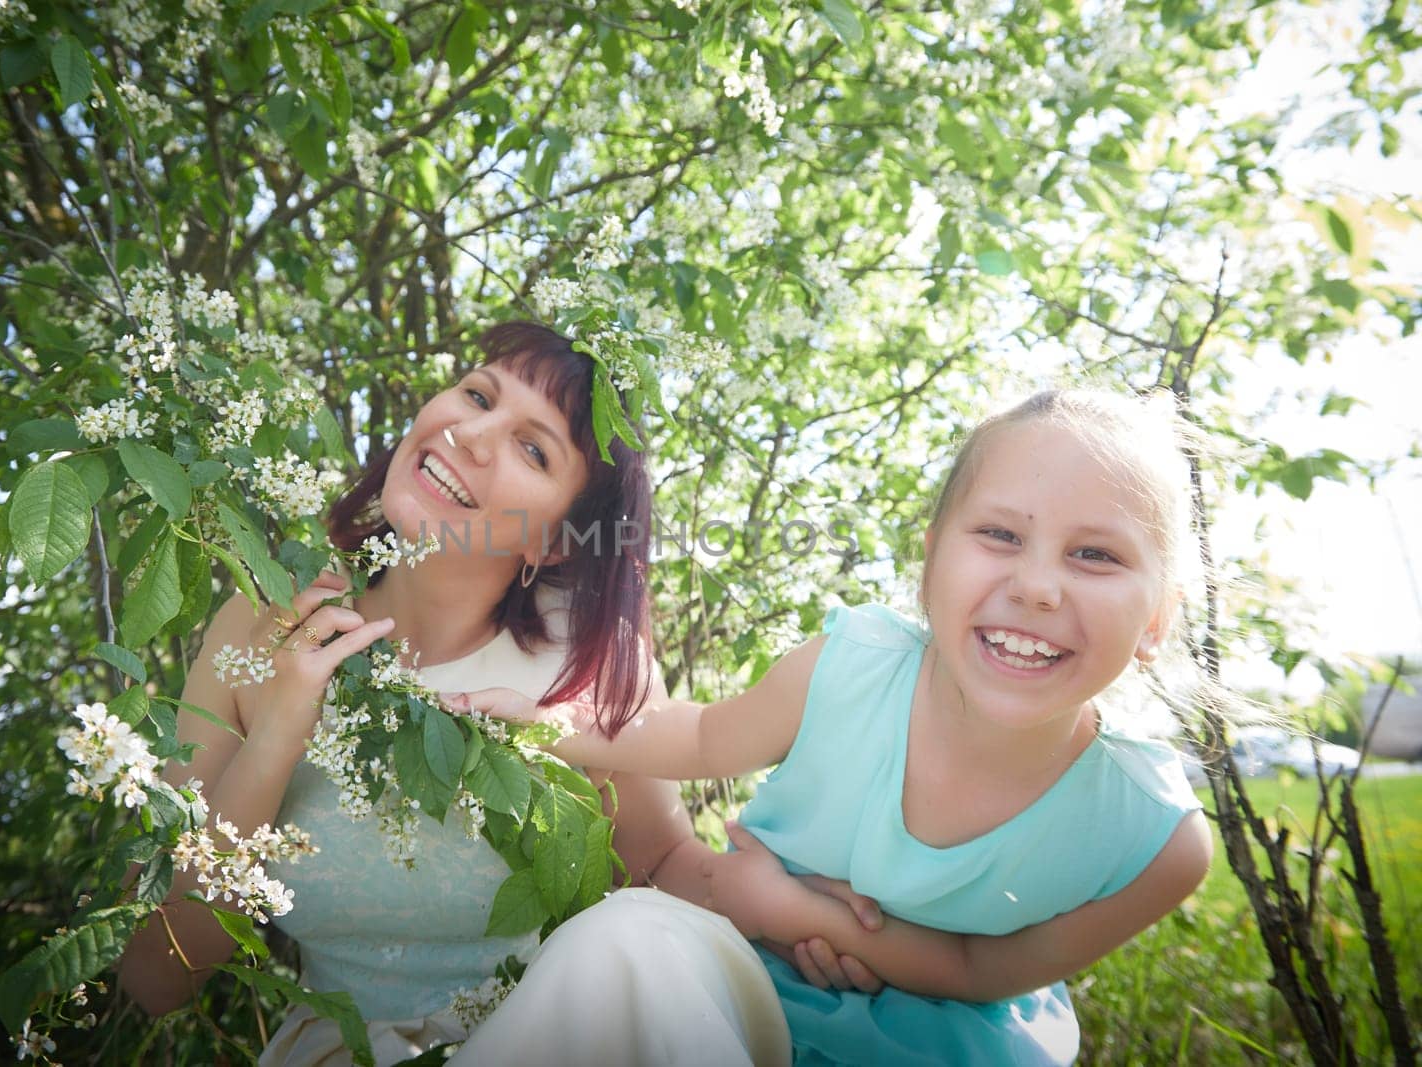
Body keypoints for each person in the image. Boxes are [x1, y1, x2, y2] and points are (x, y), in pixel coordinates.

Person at [118, 321, 884, 1067]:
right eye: (479, 396)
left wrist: (802, 916)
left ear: (550, 542)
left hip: (557, 1033)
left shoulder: (579, 658)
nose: (473, 436)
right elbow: (155, 976)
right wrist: (278, 735)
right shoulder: (263, 623)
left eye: (532, 448)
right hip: (346, 1047)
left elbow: (662, 867)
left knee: (633, 938)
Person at [453, 388, 1216, 1065]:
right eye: (1001, 536)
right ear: (931, 563)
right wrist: (551, 724)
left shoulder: (1153, 837)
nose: (1038, 586)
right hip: (741, 983)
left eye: (1095, 554)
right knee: (616, 950)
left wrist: (793, 910)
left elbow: (988, 970)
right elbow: (700, 737)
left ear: (1157, 619)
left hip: (943, 1045)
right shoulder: (852, 670)